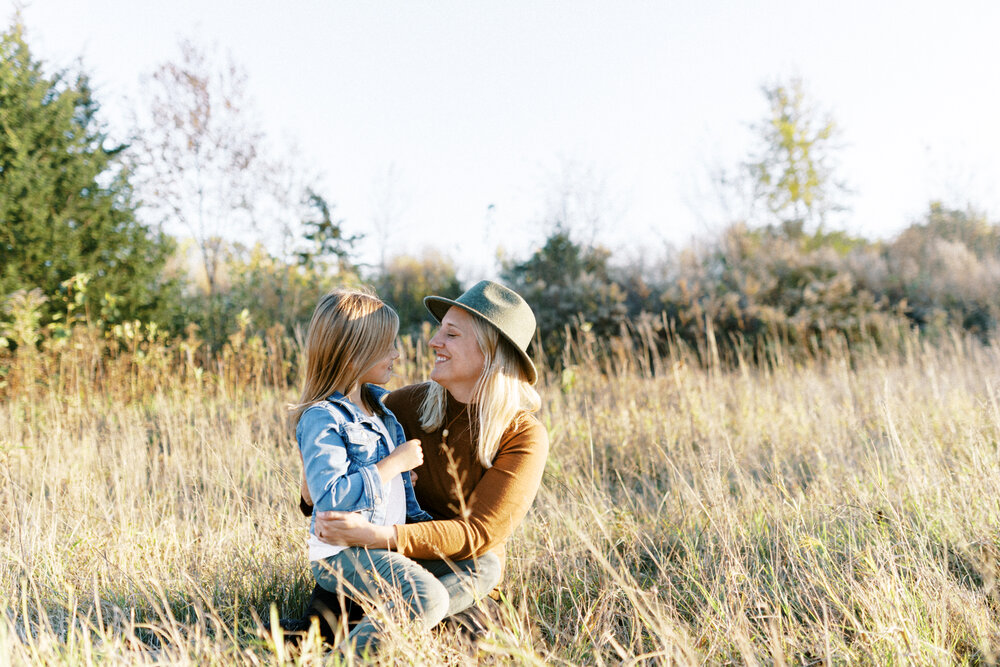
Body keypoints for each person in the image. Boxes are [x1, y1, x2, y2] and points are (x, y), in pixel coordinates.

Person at [294, 280, 549, 647]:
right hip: (380, 561)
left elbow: (478, 534)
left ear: (491, 351)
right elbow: (332, 473)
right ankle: (393, 622)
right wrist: (312, 494)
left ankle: (406, 617)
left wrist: (379, 536)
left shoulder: (522, 435)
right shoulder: (405, 406)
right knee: (322, 628)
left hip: (438, 562)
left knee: (483, 581)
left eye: (451, 334)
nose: (433, 342)